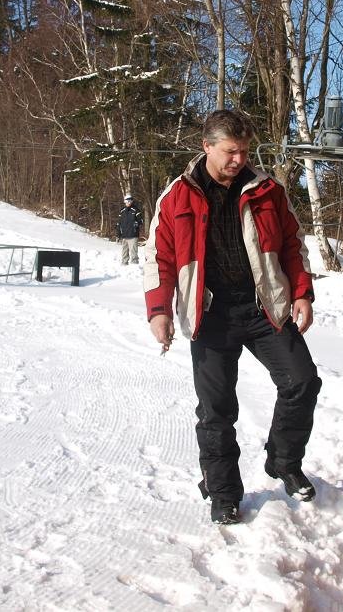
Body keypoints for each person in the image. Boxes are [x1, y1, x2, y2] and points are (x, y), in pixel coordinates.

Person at [144, 109, 321, 526]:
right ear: (206, 147)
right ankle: (223, 492)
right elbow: (159, 258)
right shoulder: (176, 196)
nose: (238, 159)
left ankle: (283, 462)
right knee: (217, 410)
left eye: (243, 151)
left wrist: (302, 292)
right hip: (210, 315)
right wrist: (159, 310)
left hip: (264, 308)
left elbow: (293, 244)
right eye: (229, 151)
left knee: (302, 380)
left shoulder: (268, 191)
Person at [116, 193, 143, 264]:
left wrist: (136, 223)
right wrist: (118, 234)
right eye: (126, 201)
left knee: (133, 253)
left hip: (133, 235)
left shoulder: (135, 210)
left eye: (129, 201)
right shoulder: (122, 211)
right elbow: (119, 224)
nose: (128, 203)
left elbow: (141, 221)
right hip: (124, 235)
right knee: (124, 253)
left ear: (131, 201)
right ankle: (124, 266)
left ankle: (135, 267)